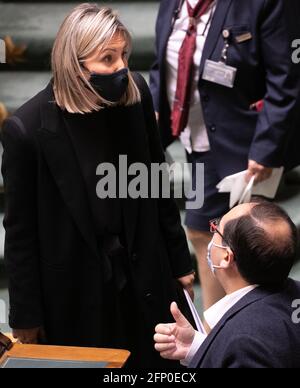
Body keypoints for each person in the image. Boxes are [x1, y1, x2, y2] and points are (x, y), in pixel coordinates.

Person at [1, 3, 195, 368]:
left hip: (144, 273)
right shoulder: (25, 131)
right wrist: (26, 316)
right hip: (76, 288)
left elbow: (157, 182)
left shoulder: (134, 93)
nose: (121, 68)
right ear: (75, 65)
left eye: (124, 54)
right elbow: (20, 233)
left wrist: (179, 259)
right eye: (107, 59)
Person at [149, 0, 300, 311]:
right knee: (207, 233)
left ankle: (238, 329)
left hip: (246, 145)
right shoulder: (173, 3)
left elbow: (285, 78)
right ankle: (218, 328)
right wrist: (154, 111)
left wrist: (266, 148)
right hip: (197, 134)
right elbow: (161, 65)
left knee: (240, 243)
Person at [154, 202, 300, 368]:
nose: (213, 232)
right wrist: (200, 348)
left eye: (216, 229)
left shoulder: (244, 341)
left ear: (226, 257)